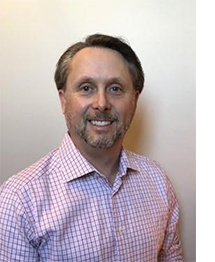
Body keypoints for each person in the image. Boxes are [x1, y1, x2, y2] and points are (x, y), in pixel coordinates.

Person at [0, 34, 184, 261]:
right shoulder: (19, 200)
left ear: (134, 101)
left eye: (115, 88)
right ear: (63, 100)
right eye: (86, 88)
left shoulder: (157, 181)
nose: (101, 103)